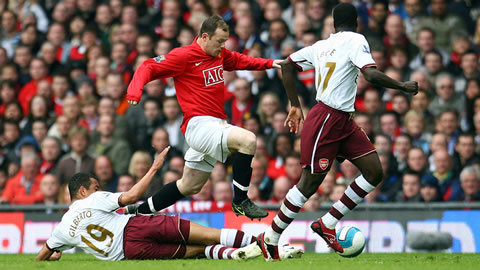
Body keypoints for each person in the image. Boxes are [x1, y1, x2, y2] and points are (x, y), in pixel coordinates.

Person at [257, 3, 418, 260]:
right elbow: (371, 75)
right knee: (309, 184)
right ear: (357, 22)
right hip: (327, 118)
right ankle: (270, 239)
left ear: (333, 24)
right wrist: (403, 86)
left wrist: (295, 105)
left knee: (374, 171)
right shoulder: (356, 40)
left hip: (343, 120)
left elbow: (287, 65)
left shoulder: (321, 46)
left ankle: (327, 223)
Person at [125, 15, 281, 219]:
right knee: (248, 140)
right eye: (219, 41)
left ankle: (138, 212)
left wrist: (271, 63)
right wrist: (134, 92)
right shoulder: (184, 56)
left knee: (189, 186)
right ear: (205, 37)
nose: (222, 46)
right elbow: (148, 66)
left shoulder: (219, 55)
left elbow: (241, 60)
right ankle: (241, 201)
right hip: (198, 125)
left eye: (225, 42)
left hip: (214, 126)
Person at [36, 147, 301, 261]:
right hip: (137, 227)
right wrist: (153, 169)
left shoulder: (62, 228)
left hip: (130, 253)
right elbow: (129, 197)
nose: (99, 189)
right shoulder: (92, 200)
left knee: (197, 251)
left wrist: (53, 256)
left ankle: (236, 255)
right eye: (95, 187)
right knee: (211, 234)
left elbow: (42, 254)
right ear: (82, 190)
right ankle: (274, 247)